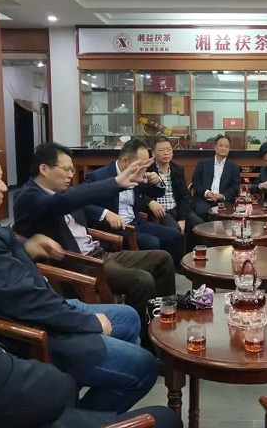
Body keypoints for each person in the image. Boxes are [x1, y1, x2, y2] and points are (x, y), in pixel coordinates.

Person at [0, 167, 181, 428]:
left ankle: (93, 397)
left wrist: (26, 245)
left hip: (43, 302)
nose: (4, 187)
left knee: (127, 317)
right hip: (35, 325)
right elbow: (22, 300)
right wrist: (86, 324)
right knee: (146, 375)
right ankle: (85, 407)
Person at [14, 142, 176, 346]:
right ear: (44, 169)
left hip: (99, 251)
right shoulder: (28, 197)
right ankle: (148, 342)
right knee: (142, 281)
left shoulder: (62, 191)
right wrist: (116, 182)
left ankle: (165, 322)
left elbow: (76, 200)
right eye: (66, 169)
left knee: (162, 258)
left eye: (72, 170)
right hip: (83, 263)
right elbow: (63, 202)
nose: (71, 175)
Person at [84, 138, 183, 264]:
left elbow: (155, 194)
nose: (145, 168)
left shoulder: (138, 173)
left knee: (174, 235)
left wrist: (157, 181)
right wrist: (106, 213)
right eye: (141, 164)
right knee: (152, 242)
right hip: (114, 228)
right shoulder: (98, 176)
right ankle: (152, 273)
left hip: (136, 223)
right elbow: (83, 204)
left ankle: (170, 270)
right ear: (125, 161)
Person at [144, 136, 203, 233]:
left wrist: (182, 219)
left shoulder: (178, 169)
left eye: (168, 149)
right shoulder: (147, 170)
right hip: (161, 211)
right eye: (161, 150)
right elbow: (139, 193)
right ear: (153, 153)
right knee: (175, 230)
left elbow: (184, 196)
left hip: (177, 208)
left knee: (199, 225)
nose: (166, 153)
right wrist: (150, 202)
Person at [191, 134, 241, 221]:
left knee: (225, 213)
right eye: (221, 145)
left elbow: (235, 187)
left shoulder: (234, 167)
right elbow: (196, 181)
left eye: (226, 146)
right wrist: (206, 193)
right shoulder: (203, 163)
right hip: (203, 198)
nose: (223, 148)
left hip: (223, 200)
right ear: (215, 147)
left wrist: (222, 196)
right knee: (202, 210)